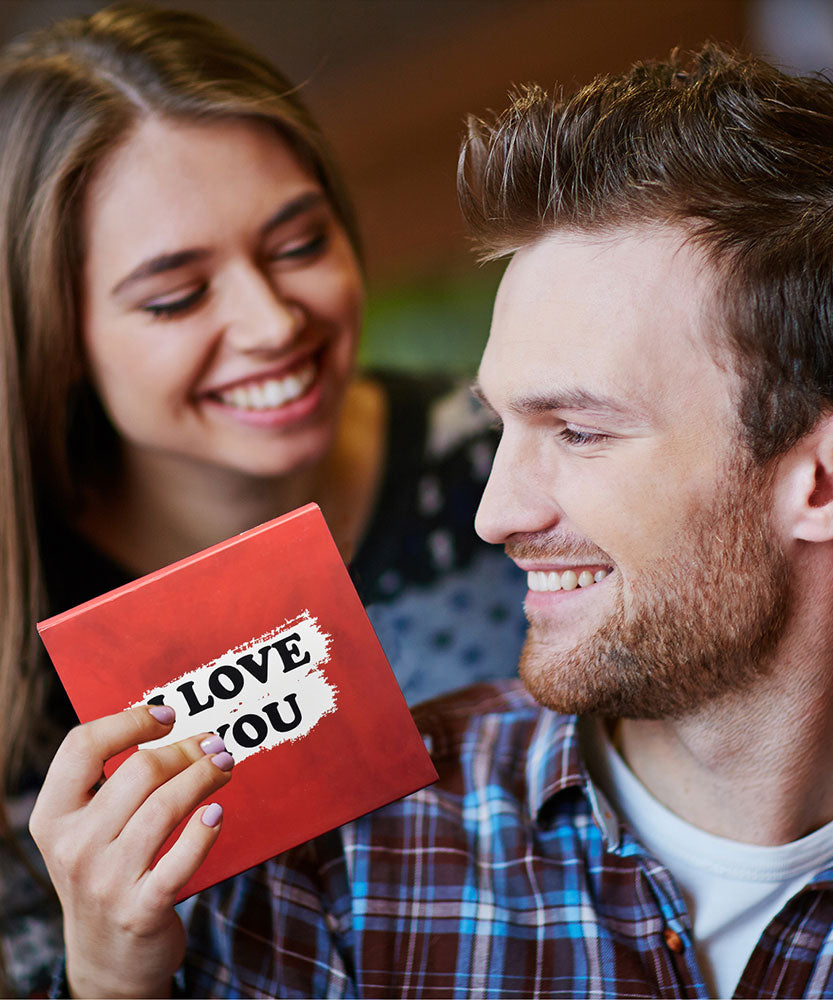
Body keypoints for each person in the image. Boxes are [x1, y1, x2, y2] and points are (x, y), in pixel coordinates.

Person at [29, 43, 833, 999]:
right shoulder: (347, 879)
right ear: (56, 340)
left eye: (575, 429)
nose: (493, 514)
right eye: (174, 294)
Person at [0, 5, 530, 995]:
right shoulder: (18, 650)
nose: (271, 319)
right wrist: (110, 970)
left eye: (296, 244)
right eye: (176, 295)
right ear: (55, 338)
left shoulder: (507, 462)